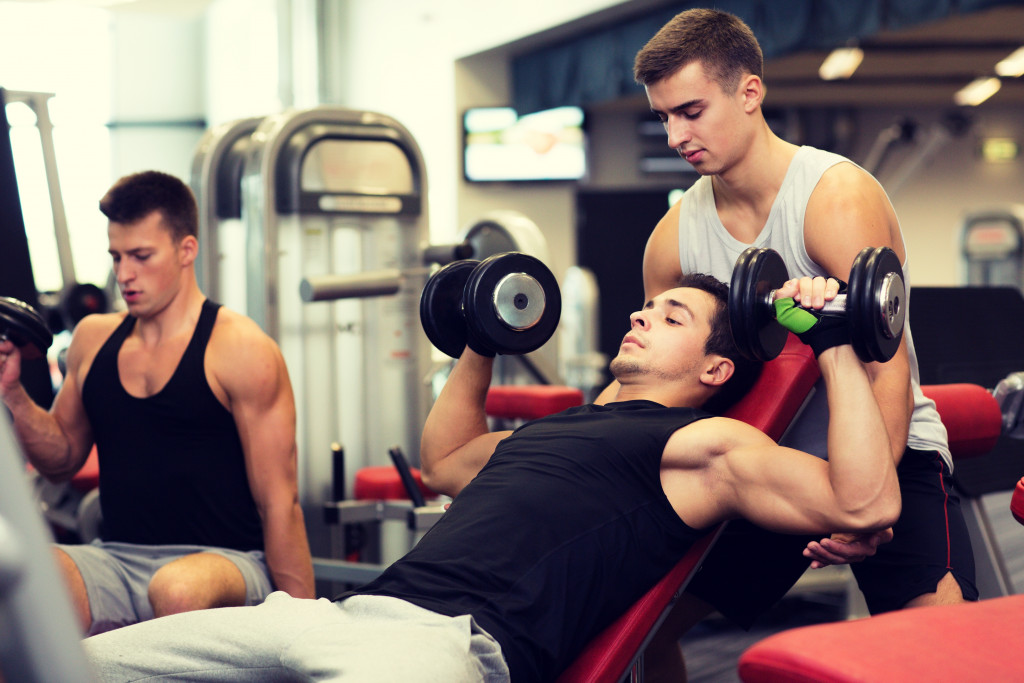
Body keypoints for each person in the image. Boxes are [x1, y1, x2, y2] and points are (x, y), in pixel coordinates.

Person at [81, 273, 900, 683]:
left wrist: (830, 338)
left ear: (719, 366)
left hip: (442, 646)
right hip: (328, 615)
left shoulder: (699, 443)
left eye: (672, 315)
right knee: (67, 662)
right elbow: (445, 461)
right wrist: (480, 334)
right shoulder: (560, 427)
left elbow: (864, 498)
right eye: (647, 307)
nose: (642, 313)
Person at [621, 8, 976, 679]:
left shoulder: (834, 197)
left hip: (888, 453)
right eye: (664, 117)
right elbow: (658, 390)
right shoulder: (673, 235)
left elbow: (887, 368)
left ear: (749, 93)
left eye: (691, 111)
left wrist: (868, 503)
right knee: (634, 629)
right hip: (763, 471)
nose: (675, 135)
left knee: (942, 639)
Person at [0, 170, 314, 636]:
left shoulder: (240, 348)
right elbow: (60, 460)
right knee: (27, 581)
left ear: (187, 250)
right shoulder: (93, 339)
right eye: (116, 257)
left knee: (177, 589)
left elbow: (279, 501)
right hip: (117, 558)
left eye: (141, 256)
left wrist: (305, 628)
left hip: (227, 563)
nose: (124, 274)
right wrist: (12, 391)